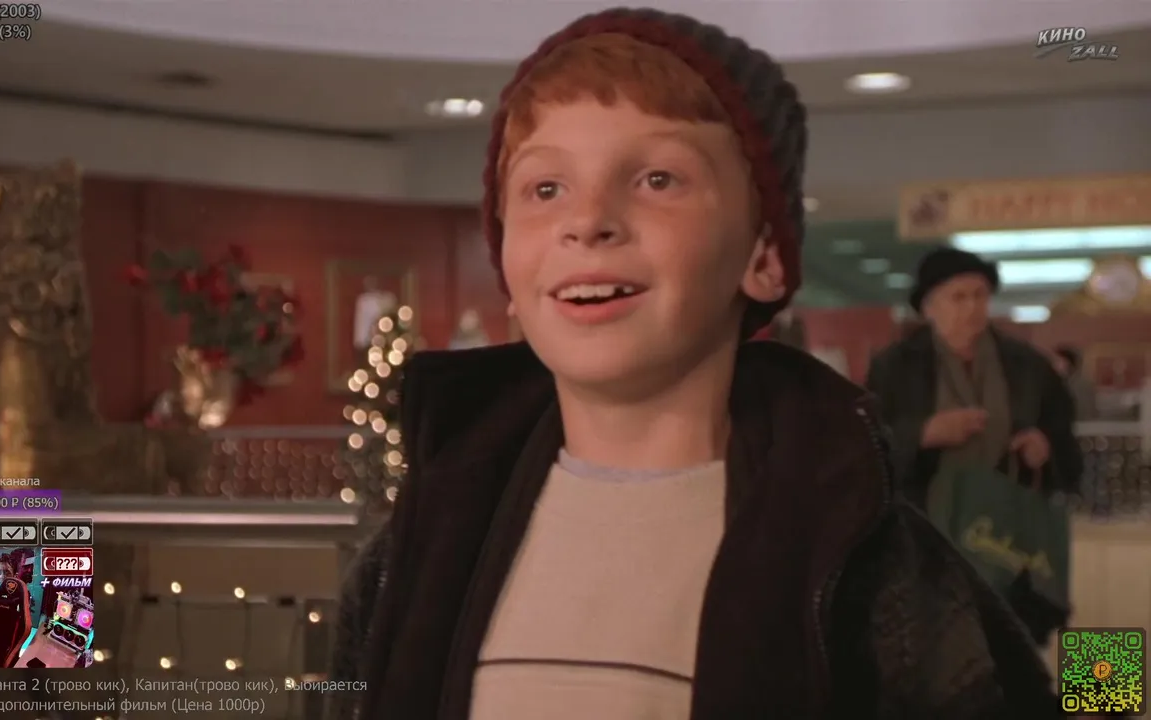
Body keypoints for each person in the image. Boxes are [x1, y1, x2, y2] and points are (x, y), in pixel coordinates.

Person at [332, 9, 1056, 719]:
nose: (587, 222)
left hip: (1022, 545)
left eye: (657, 179)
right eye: (545, 189)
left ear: (764, 255)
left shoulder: (869, 563)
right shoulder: (419, 552)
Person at [866, 247, 1083, 509]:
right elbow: (868, 444)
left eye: (980, 295)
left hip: (1011, 515)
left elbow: (1063, 435)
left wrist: (1045, 446)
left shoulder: (1027, 364)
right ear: (928, 308)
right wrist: (922, 434)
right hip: (924, 516)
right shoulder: (895, 367)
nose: (972, 307)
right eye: (958, 297)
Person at [1052, 345, 1100, 420]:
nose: (1054, 365)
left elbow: (1084, 411)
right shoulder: (1061, 382)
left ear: (1068, 363)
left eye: (1058, 361)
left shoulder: (1081, 385)